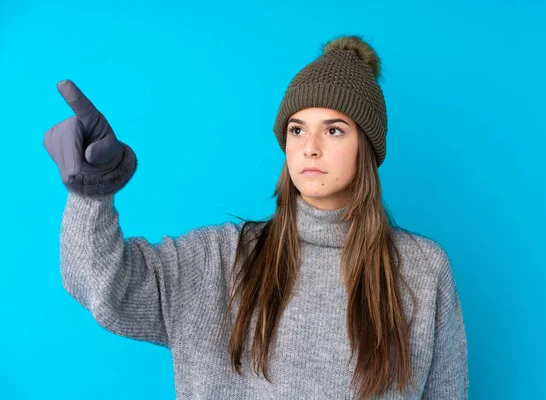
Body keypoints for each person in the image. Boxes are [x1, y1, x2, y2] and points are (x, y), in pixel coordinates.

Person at [43, 35, 468, 400]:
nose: (310, 147)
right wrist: (92, 193)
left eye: (334, 129)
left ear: (368, 149)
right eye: (297, 129)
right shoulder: (219, 260)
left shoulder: (421, 269)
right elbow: (102, 289)